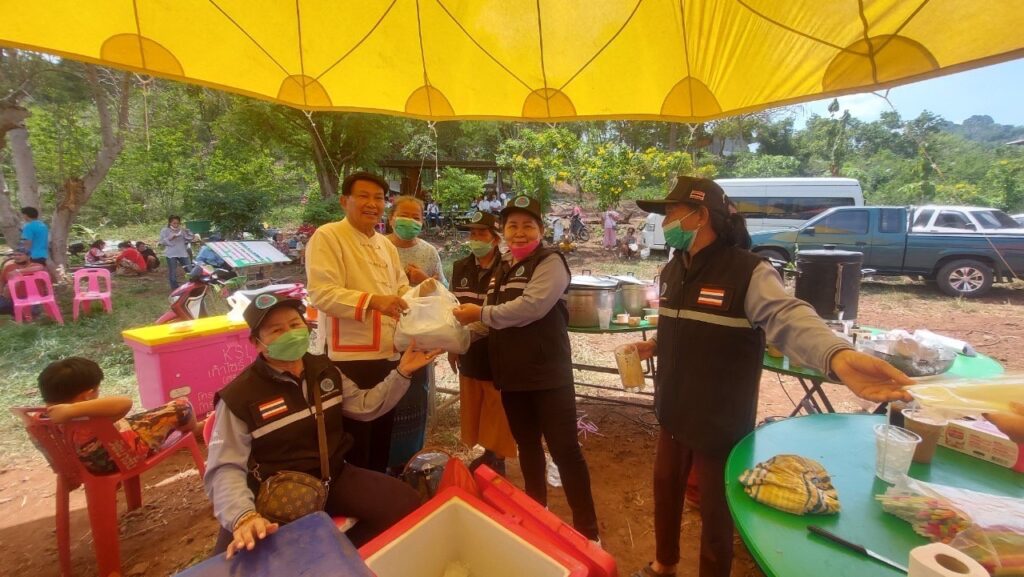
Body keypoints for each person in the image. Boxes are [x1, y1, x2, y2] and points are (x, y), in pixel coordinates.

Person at [627, 177, 914, 577]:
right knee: (665, 489)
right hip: (673, 408)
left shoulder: (749, 271)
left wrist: (836, 354)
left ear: (700, 215)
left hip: (718, 419)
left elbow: (786, 316)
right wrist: (656, 344)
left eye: (671, 212)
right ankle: (665, 564)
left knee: (716, 510)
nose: (665, 221)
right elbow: (683, 322)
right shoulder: (674, 269)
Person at [204, 294, 437, 557]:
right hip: (274, 493)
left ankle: (343, 558)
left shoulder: (325, 370)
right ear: (256, 343)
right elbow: (225, 468)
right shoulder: (239, 397)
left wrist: (403, 372)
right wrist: (243, 516)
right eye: (276, 330)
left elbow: (365, 406)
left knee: (405, 503)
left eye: (295, 324)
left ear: (306, 327)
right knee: (237, 561)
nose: (289, 334)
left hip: (332, 477)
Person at [452, 195, 600, 542]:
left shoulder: (550, 262)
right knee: (528, 448)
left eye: (527, 225)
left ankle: (589, 532)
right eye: (512, 226)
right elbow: (491, 320)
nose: (519, 232)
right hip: (513, 378)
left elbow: (531, 307)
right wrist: (455, 338)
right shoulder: (503, 266)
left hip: (547, 377)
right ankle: (537, 513)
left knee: (565, 451)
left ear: (541, 229)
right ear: (503, 231)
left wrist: (480, 314)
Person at [305, 171, 411, 473]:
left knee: (382, 435)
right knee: (354, 441)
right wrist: (374, 301)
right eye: (363, 196)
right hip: (349, 357)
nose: (372, 204)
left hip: (388, 353)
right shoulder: (328, 236)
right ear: (344, 201)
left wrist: (421, 296)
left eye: (379, 198)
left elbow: (401, 287)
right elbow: (322, 294)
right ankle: (354, 496)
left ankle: (378, 488)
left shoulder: (386, 246)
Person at [38, 357, 199, 476]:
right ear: (87, 395)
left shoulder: (41, 417)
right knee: (182, 406)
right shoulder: (77, 416)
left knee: (145, 418)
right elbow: (125, 403)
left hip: (86, 465)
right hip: (121, 457)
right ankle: (194, 429)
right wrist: (72, 409)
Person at [448, 211, 517, 475]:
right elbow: (452, 307)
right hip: (467, 349)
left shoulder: (507, 268)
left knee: (496, 405)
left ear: (495, 238)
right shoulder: (460, 267)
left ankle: (498, 456)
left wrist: (465, 335)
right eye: (472, 233)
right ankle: (487, 452)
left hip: (497, 348)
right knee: (473, 400)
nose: (476, 238)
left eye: (482, 233)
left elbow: (504, 312)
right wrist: (454, 344)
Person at [384, 195, 447, 471]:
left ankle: (410, 463)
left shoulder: (429, 252)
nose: (410, 221)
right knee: (385, 398)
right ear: (391, 218)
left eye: (416, 217)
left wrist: (424, 281)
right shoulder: (378, 248)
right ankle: (382, 464)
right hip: (383, 337)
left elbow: (444, 290)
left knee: (414, 398)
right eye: (404, 215)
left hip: (418, 337)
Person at [0, 248, 45, 315]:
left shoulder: (34, 265)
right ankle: (15, 310)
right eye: (15, 255)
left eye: (20, 255)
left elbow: (40, 268)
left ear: (28, 256)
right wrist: (2, 293)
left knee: (32, 312)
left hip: (31, 298)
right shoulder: (9, 267)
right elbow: (2, 281)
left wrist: (19, 271)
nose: (16, 257)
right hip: (11, 298)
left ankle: (19, 311)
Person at [159, 215, 195, 290]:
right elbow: (162, 241)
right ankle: (175, 288)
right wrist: (171, 237)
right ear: (170, 223)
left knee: (189, 269)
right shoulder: (165, 230)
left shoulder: (182, 230)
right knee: (173, 271)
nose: (176, 225)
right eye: (174, 223)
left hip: (182, 252)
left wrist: (189, 232)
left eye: (178, 223)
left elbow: (190, 238)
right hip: (171, 254)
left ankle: (193, 285)